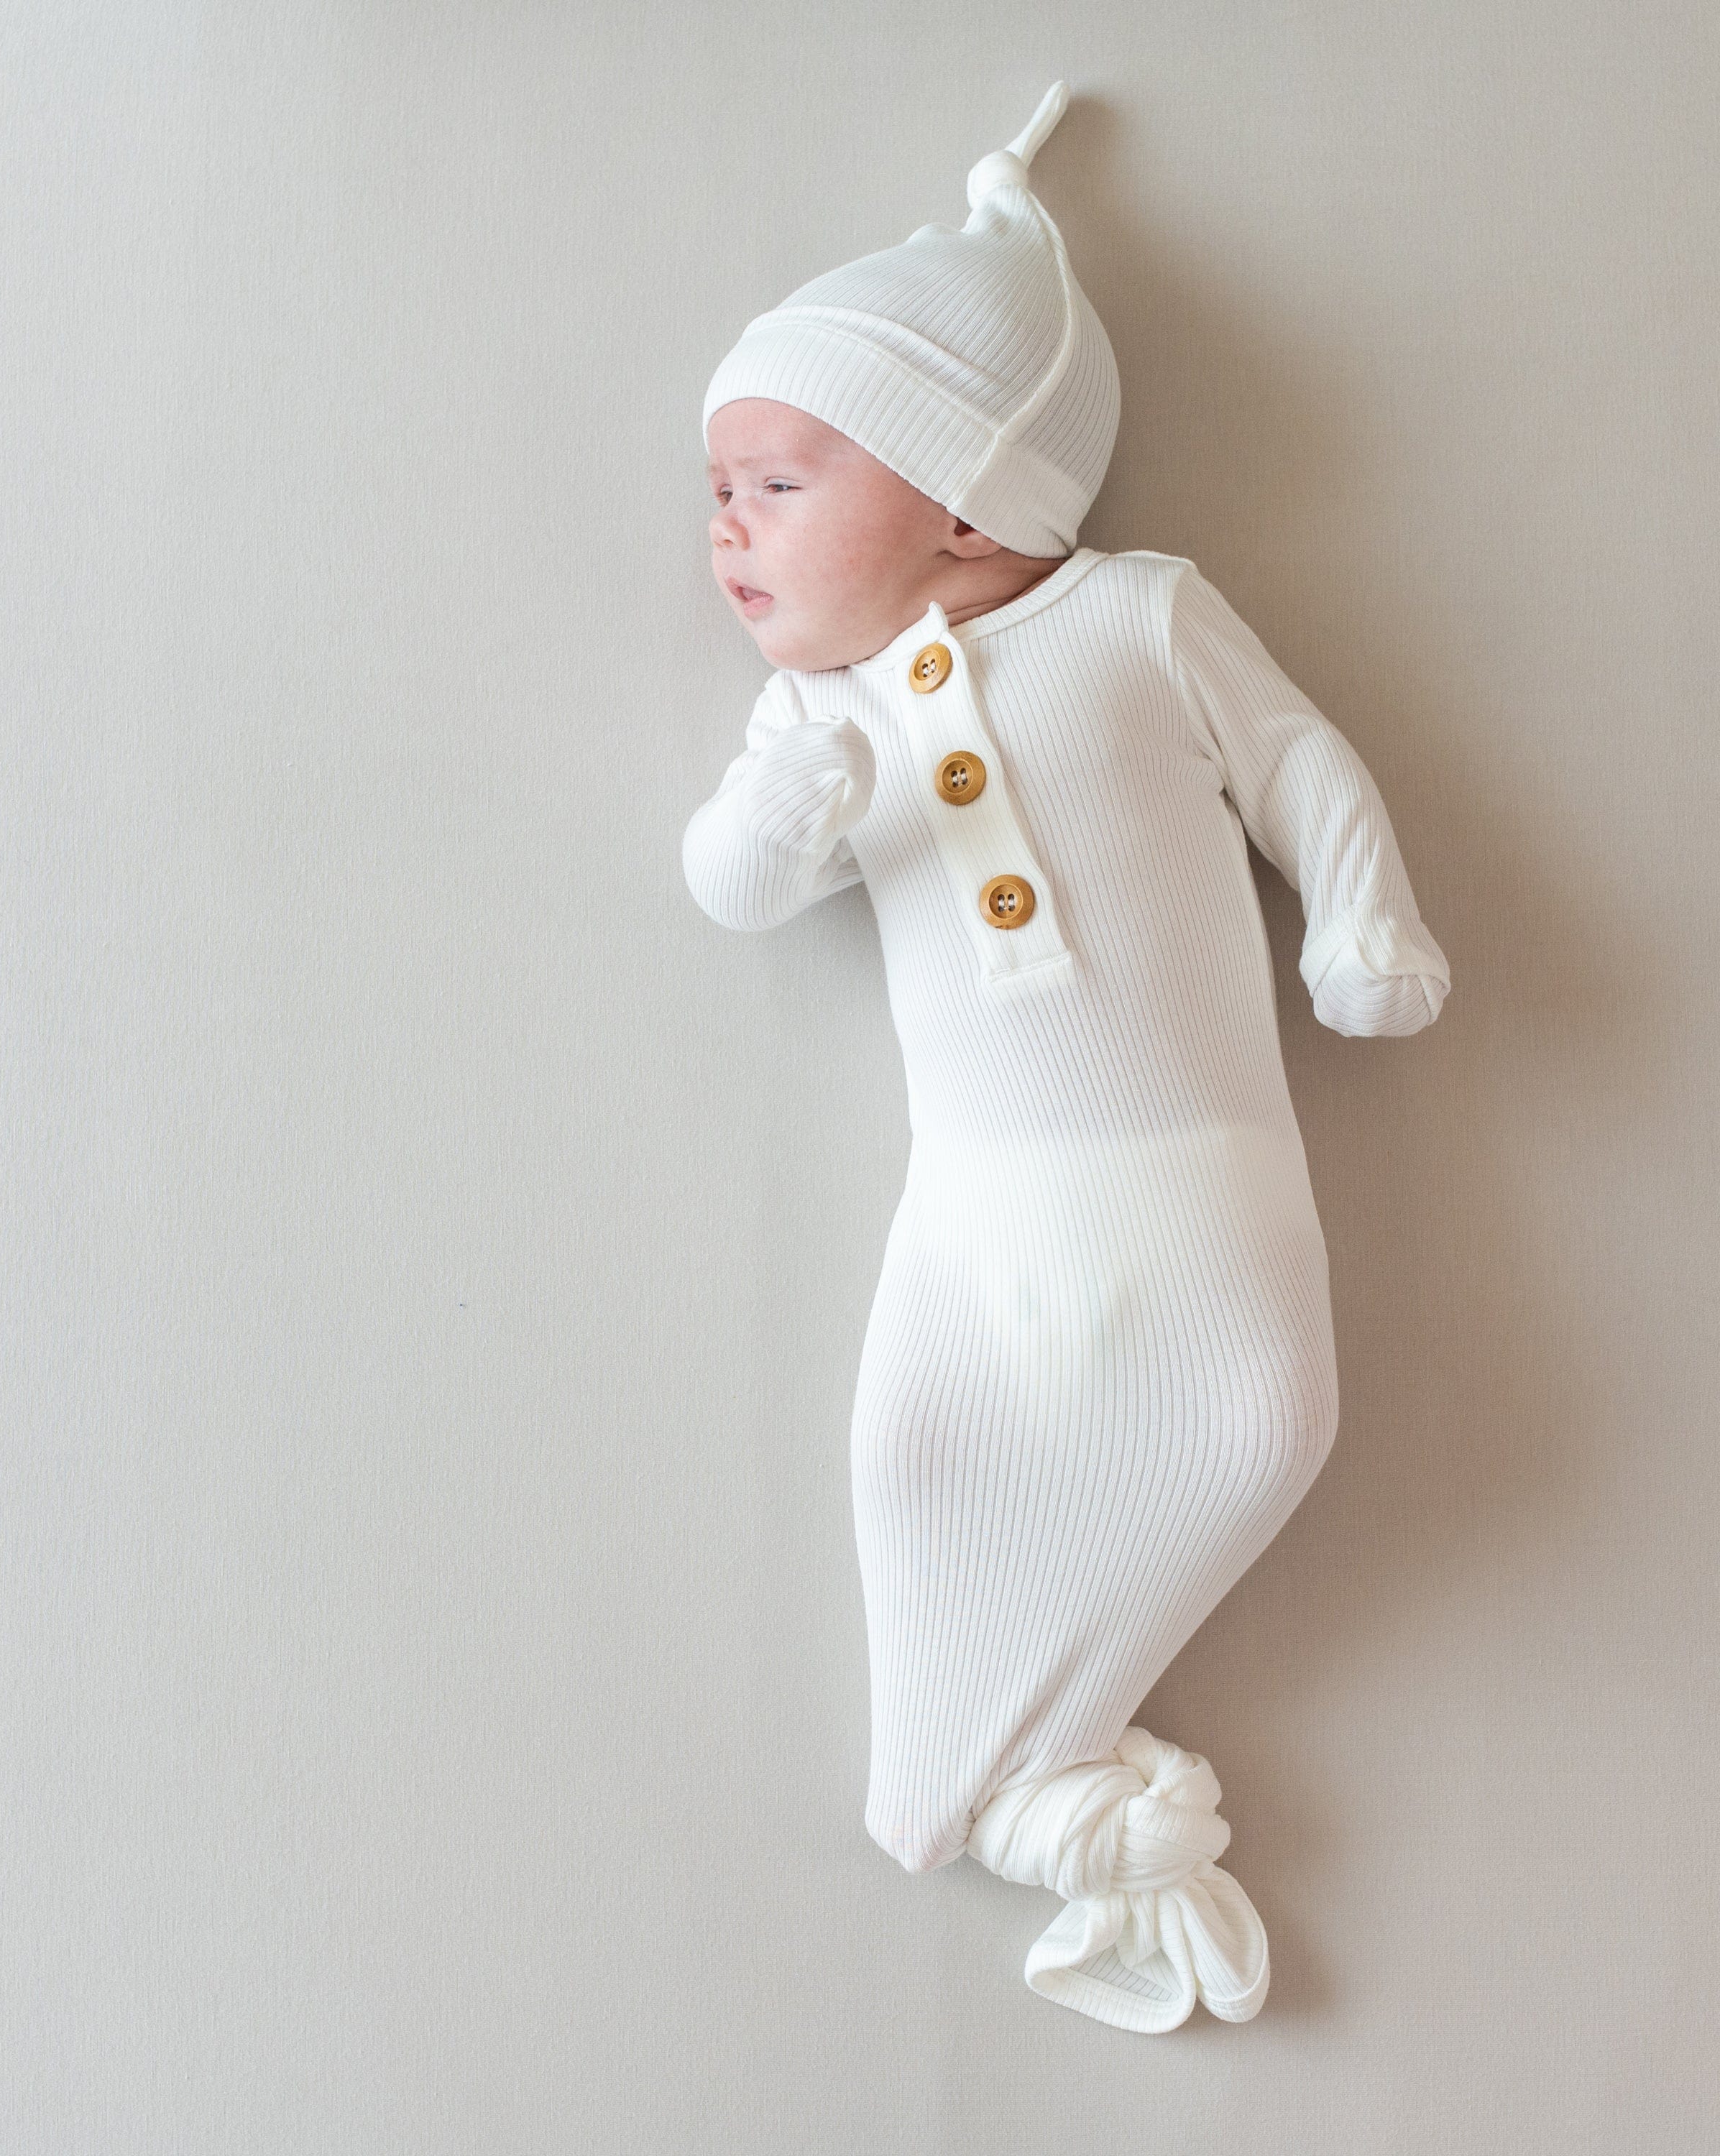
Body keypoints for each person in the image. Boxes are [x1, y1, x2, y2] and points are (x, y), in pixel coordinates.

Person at [682, 82, 1449, 2034]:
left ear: (959, 492)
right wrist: (785, 806)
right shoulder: (832, 718)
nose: (727, 528)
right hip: (979, 1203)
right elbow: (735, 890)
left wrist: (1363, 916)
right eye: (721, 491)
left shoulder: (1141, 618)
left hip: (1200, 1172)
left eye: (778, 481)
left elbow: (1301, 765)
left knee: (1262, 1426)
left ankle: (1029, 1768)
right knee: (915, 1457)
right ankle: (998, 1785)